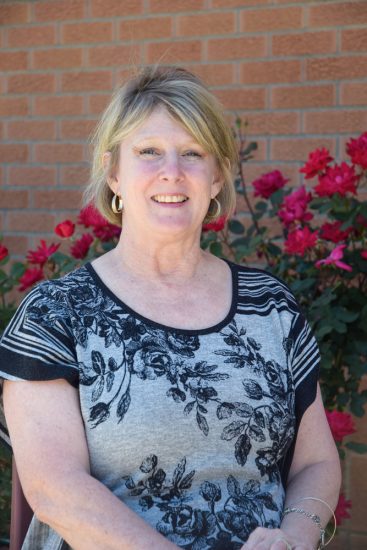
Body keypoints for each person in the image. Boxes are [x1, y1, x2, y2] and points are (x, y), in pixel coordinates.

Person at [0, 66, 341, 550]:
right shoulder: (56, 316)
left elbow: (317, 463)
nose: (173, 172)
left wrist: (295, 536)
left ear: (218, 174)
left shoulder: (272, 308)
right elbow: (56, 490)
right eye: (149, 152)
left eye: (193, 154)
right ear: (113, 171)